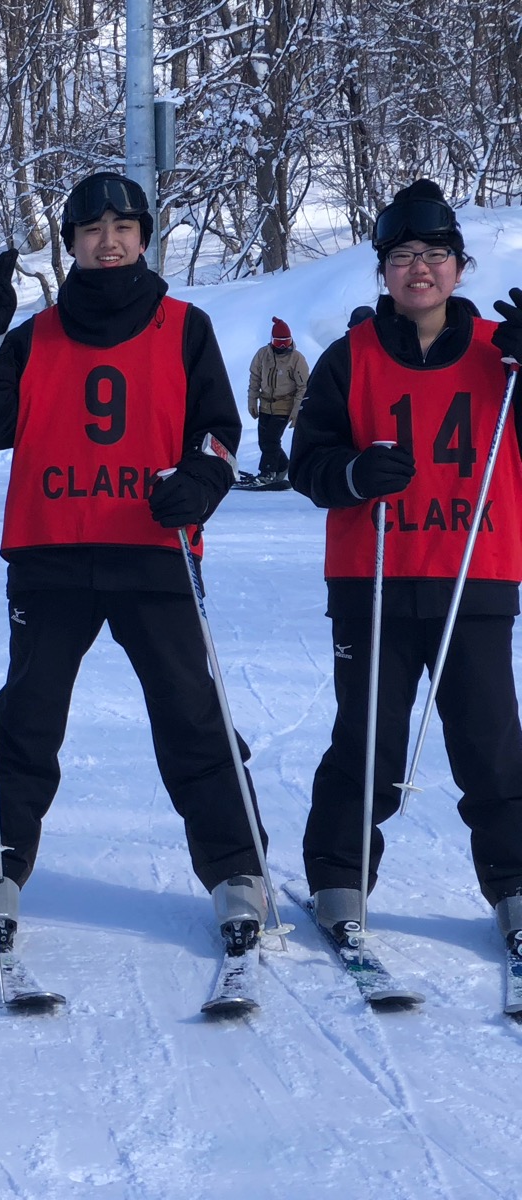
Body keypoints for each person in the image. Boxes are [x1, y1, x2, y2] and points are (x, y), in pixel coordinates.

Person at [0, 171, 269, 958]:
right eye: (92, 229)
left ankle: (238, 868)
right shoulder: (34, 337)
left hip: (152, 549)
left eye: (123, 226)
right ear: (70, 244)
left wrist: (200, 481)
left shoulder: (185, 327)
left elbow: (219, 432)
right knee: (29, 716)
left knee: (190, 712)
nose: (109, 240)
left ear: (143, 236)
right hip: (51, 549)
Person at [290, 179, 522, 947]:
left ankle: (515, 887)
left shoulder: (504, 354)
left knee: (491, 747)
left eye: (434, 254)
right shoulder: (348, 356)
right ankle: (339, 879)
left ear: (459, 268)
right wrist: (353, 474)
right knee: (368, 742)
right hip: (374, 579)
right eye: (402, 255)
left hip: (475, 577)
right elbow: (308, 461)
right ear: (382, 270)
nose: (419, 268)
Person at [246, 317, 310, 484]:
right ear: (271, 340)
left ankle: (267, 473)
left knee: (271, 440)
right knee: (264, 442)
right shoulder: (263, 355)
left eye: (286, 342)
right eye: (278, 342)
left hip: (285, 405)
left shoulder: (297, 359)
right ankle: (282, 466)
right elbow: (255, 378)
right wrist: (252, 401)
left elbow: (303, 387)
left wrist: (296, 411)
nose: (282, 346)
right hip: (266, 404)